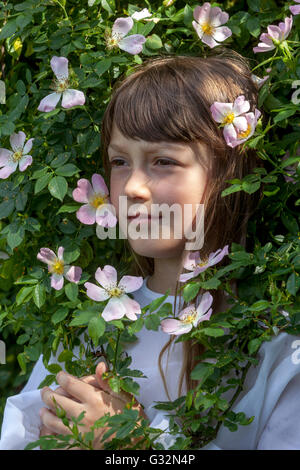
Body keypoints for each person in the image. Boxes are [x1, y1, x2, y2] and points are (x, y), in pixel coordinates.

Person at [1, 49, 300, 450]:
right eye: (120, 161)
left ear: (232, 171)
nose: (132, 187)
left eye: (163, 160)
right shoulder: (87, 328)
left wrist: (134, 443)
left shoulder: (277, 348)